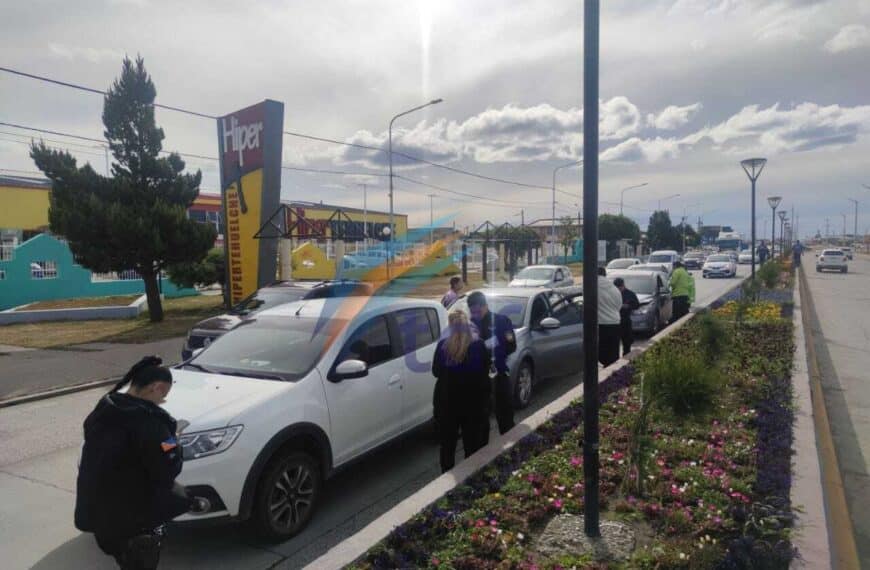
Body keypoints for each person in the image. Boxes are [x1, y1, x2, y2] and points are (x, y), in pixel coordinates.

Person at [75, 356, 207, 569]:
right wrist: (175, 441)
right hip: (133, 521)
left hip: (98, 512)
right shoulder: (151, 424)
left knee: (122, 558)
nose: (163, 399)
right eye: (164, 393)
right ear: (156, 387)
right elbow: (168, 471)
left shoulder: (105, 407)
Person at [432, 311, 491, 472]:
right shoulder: (478, 345)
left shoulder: (443, 346)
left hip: (447, 402)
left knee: (447, 445)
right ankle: (470, 478)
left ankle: (447, 477)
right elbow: (485, 371)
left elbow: (436, 371)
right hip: (472, 402)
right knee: (471, 444)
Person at [468, 291, 517, 435]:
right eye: (472, 311)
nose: (475, 314)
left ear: (485, 306)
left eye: (478, 311)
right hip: (479, 378)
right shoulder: (469, 325)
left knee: (505, 417)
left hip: (499, 374)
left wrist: (491, 349)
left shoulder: (501, 321)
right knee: (480, 422)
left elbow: (511, 346)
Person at [598, 267, 623, 367]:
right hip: (615, 322)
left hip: (601, 324)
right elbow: (619, 305)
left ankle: (605, 365)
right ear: (605, 274)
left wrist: (555, 290)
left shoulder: (592, 284)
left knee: (602, 349)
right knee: (613, 350)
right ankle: (612, 370)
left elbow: (574, 290)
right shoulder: (614, 288)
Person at [613, 277, 639, 356]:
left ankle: (626, 357)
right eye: (617, 288)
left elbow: (636, 305)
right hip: (614, 321)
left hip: (625, 320)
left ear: (623, 285)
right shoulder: (613, 293)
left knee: (627, 342)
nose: (618, 289)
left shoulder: (630, 294)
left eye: (620, 287)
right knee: (614, 344)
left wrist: (628, 306)